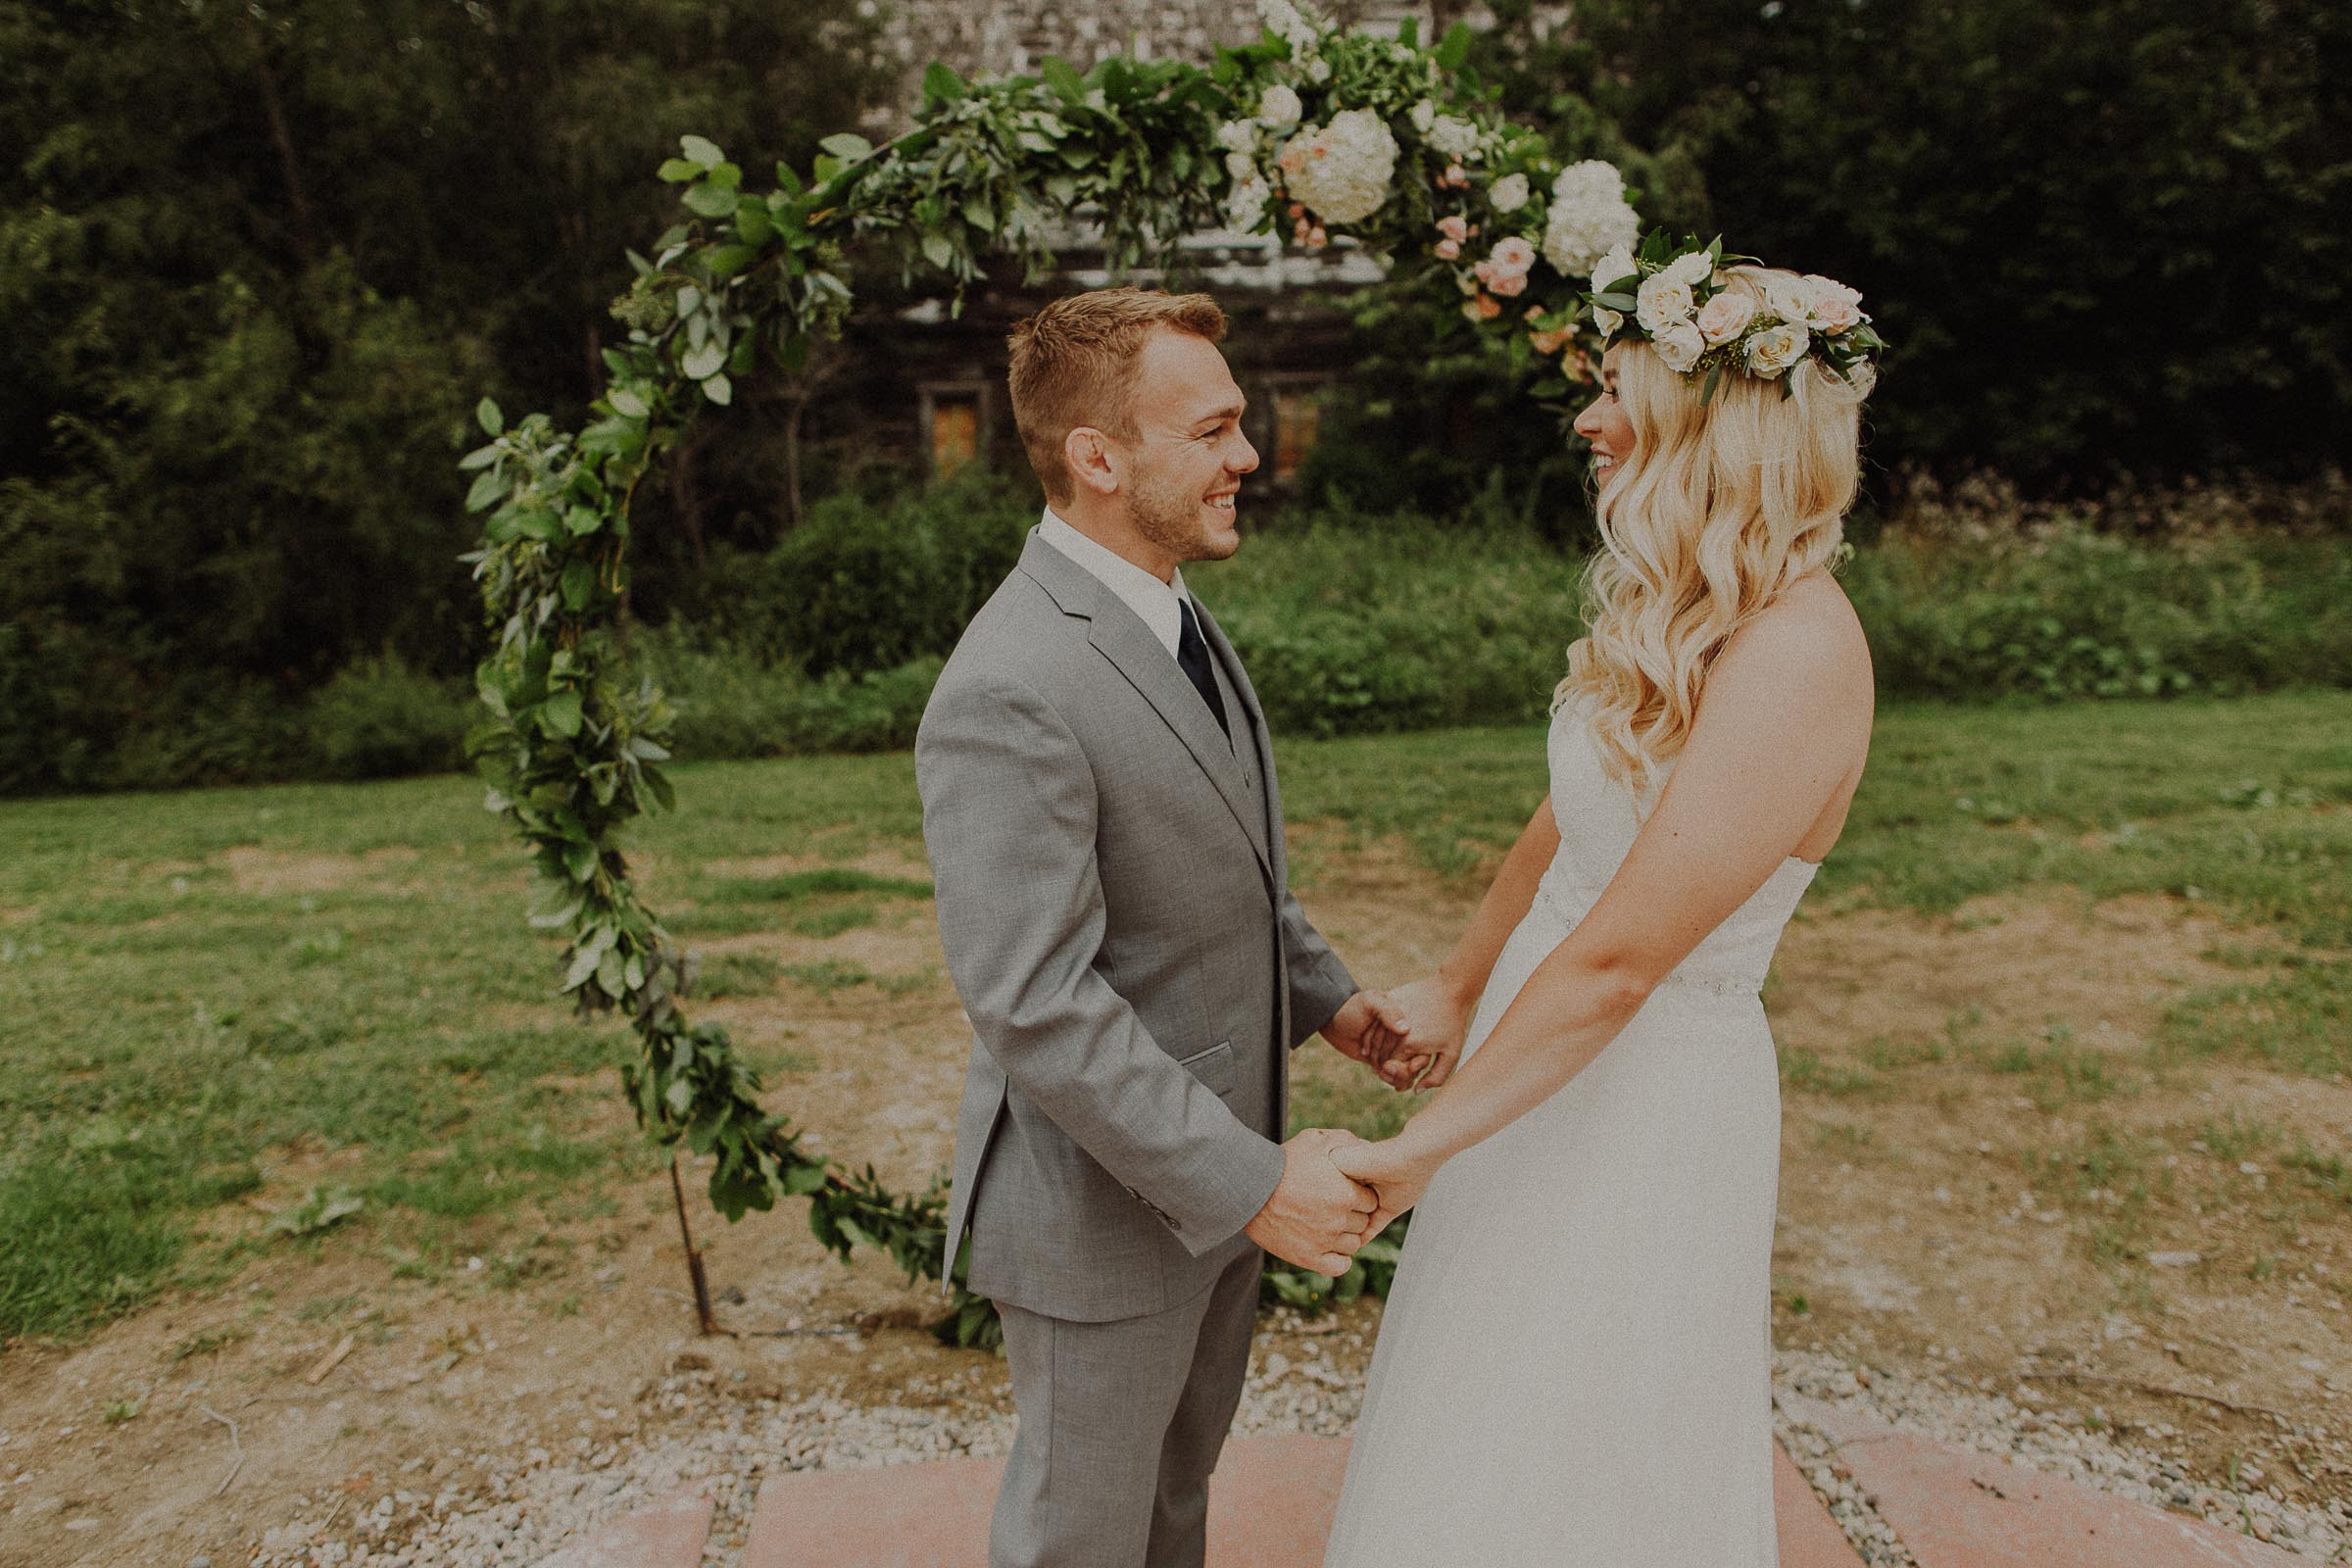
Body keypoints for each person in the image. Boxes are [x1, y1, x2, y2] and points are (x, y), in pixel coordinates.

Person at [1322, 250, 1884, 1566]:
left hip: (1644, 1097)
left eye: (1619, 390)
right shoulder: (1682, 614)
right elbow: (1574, 815)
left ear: (1716, 426)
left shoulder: (1798, 647)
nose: (1586, 420)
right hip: (1540, 1054)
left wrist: (1413, 1155)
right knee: (1476, 1407)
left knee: (1583, 1436)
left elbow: (1625, 956)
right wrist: (1462, 985)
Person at [914, 286, 1411, 1568]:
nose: (1247, 456)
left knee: (1169, 1516)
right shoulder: (1008, 685)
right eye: (1214, 430)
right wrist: (1254, 1185)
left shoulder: (1167, 608)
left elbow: (1221, 869)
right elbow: (1035, 1005)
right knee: (1084, 1539)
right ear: (1098, 457)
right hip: (1106, 1217)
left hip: (1206, 1188)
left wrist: (1336, 1004)